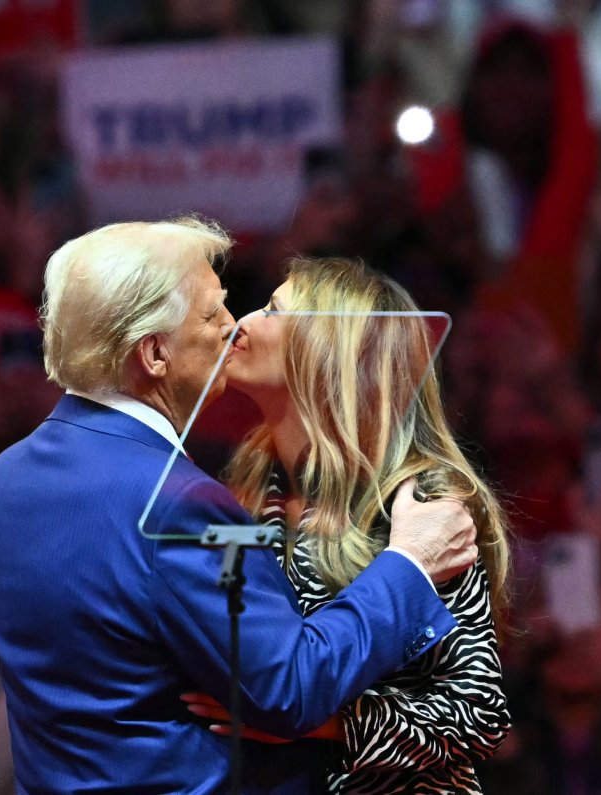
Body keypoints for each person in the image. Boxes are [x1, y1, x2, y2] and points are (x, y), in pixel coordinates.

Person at [0, 217, 479, 793]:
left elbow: (473, 712)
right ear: (155, 353)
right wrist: (409, 564)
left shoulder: (3, 480)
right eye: (212, 314)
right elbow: (286, 689)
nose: (232, 327)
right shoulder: (178, 501)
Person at [187, 256, 511, 792]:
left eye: (272, 310)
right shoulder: (250, 488)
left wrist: (321, 722)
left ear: (327, 352)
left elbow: (478, 714)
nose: (241, 321)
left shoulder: (418, 501)